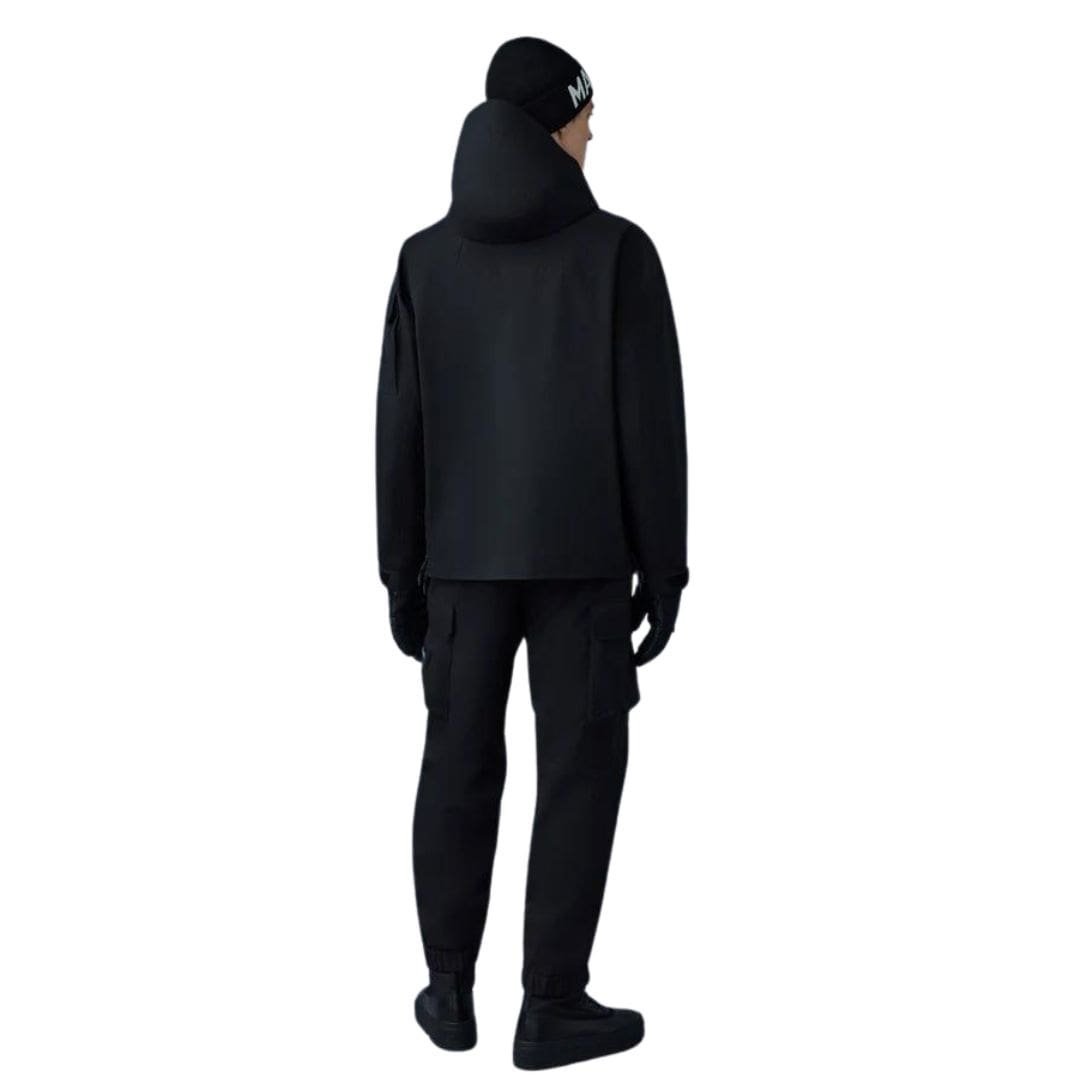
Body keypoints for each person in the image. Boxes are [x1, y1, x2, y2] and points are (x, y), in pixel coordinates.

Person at [376, 36, 688, 1070]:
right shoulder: (617, 254)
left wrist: (400, 575)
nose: (592, 137)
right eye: (583, 120)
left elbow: (399, 431)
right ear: (551, 126)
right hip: (586, 564)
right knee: (580, 771)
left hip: (461, 567)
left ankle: (447, 990)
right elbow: (650, 424)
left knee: (455, 764)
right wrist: (666, 566)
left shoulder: (424, 260)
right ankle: (551, 1004)